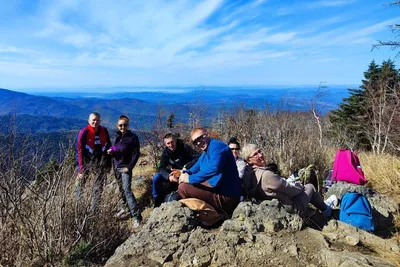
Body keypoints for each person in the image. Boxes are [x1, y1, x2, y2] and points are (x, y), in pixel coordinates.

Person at [241, 144, 337, 217]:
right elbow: (292, 191)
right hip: (289, 209)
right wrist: (299, 185)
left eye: (260, 151)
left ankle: (322, 205)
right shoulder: (267, 175)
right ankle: (326, 210)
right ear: (248, 160)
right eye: (255, 154)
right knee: (310, 187)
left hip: (268, 206)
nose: (260, 155)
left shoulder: (247, 175)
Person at [178, 128, 242, 217]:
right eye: (195, 142)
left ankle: (213, 214)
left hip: (227, 196)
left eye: (200, 138)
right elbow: (194, 169)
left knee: (183, 188)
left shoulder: (217, 146)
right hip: (216, 189)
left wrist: (189, 179)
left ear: (207, 134)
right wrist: (181, 174)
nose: (198, 143)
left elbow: (214, 168)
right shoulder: (205, 153)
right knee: (183, 184)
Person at [107, 115, 142, 227]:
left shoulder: (133, 137)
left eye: (125, 125)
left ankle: (136, 216)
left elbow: (136, 153)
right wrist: (111, 151)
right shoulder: (117, 137)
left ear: (128, 125)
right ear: (117, 126)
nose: (122, 127)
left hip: (125, 167)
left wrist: (130, 167)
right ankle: (125, 207)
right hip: (116, 166)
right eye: (120, 125)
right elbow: (115, 148)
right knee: (121, 189)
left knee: (127, 190)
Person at [75, 112, 112, 213]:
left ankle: (94, 212)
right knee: (79, 185)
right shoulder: (84, 132)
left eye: (97, 120)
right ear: (89, 120)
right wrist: (81, 169)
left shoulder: (104, 131)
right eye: (93, 120)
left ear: (100, 120)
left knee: (98, 187)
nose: (95, 122)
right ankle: (77, 209)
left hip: (100, 163)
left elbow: (108, 145)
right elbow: (79, 151)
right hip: (86, 163)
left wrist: (108, 162)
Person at [152, 133, 199, 207]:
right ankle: (156, 199)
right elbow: (161, 167)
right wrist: (168, 176)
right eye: (168, 143)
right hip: (174, 173)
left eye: (172, 142)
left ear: (175, 140)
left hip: (187, 172)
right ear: (165, 144)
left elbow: (198, 158)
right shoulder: (166, 152)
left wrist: (186, 167)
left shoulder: (184, 147)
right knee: (156, 177)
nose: (170, 145)